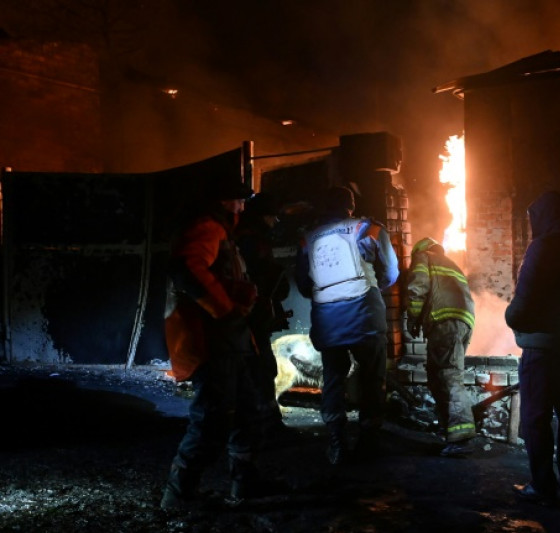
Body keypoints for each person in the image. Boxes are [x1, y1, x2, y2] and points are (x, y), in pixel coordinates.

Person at [160, 178, 277, 509]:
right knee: (213, 418)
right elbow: (185, 269)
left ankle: (246, 483)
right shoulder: (207, 227)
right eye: (238, 201)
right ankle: (178, 493)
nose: (242, 208)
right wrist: (225, 309)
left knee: (247, 414)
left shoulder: (222, 233)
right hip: (213, 342)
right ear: (224, 201)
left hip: (232, 341)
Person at [295, 185, 399, 465]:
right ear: (350, 205)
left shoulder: (308, 239)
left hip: (328, 320)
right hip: (366, 314)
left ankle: (337, 443)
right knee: (372, 378)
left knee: (333, 379)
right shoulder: (369, 229)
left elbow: (304, 285)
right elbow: (391, 274)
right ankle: (369, 442)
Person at [505, 190, 560, 507]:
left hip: (541, 349)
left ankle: (543, 485)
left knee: (536, 418)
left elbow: (525, 299)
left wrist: (510, 317)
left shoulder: (542, 248)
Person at [404, 237, 477, 457]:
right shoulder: (450, 264)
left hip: (444, 321)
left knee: (448, 376)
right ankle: (450, 431)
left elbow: (417, 288)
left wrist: (412, 318)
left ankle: (461, 437)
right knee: (438, 376)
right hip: (463, 323)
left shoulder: (423, 257)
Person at [235, 191, 292, 440]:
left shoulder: (248, 237)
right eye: (273, 217)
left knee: (261, 367)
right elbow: (257, 277)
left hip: (253, 313)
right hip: (251, 315)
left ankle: (263, 423)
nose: (275, 223)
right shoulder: (251, 240)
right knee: (261, 367)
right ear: (263, 216)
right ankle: (265, 427)